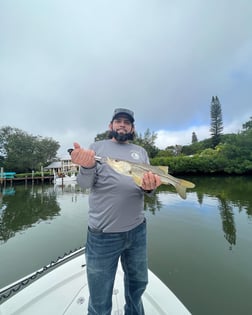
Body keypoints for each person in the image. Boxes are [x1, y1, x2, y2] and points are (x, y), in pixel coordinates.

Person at [70, 108, 161, 315]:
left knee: (137, 285)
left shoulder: (141, 152)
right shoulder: (97, 148)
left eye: (126, 122)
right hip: (103, 236)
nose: (122, 125)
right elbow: (84, 184)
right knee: (100, 297)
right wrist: (86, 167)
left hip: (137, 231)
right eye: (118, 121)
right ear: (110, 125)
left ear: (132, 128)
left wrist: (149, 187)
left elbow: (147, 189)